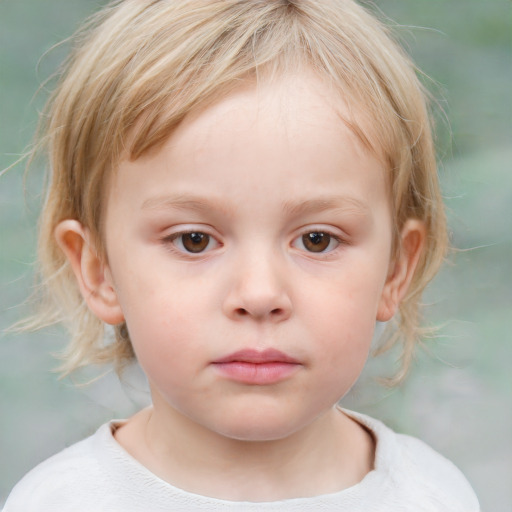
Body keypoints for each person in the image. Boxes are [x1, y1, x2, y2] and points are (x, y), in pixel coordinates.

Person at [4, 0, 480, 510]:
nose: (258, 294)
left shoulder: (433, 496)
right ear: (98, 271)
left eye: (317, 239)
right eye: (194, 240)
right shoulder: (58, 502)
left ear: (396, 269)